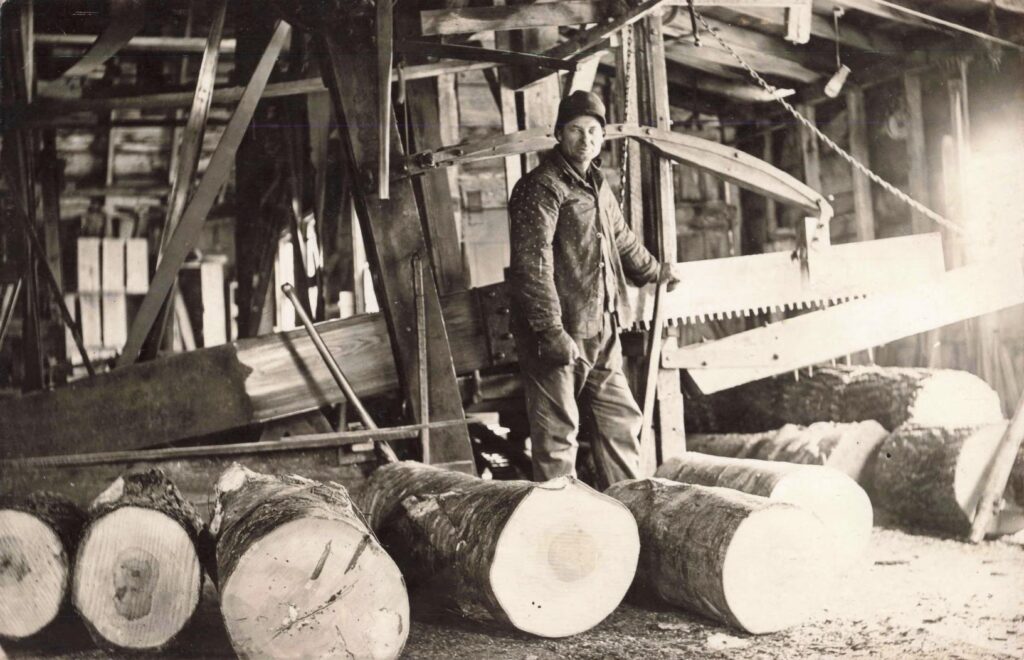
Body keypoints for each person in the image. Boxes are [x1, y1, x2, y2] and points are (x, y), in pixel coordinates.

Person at [506, 90, 679, 489]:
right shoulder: (542, 187)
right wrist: (550, 332)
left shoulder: (597, 184)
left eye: (594, 132)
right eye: (576, 130)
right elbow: (532, 266)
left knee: (621, 421)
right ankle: (562, 531)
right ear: (559, 134)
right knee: (557, 438)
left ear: (602, 138)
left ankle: (632, 508)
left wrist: (656, 271)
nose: (586, 140)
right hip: (558, 334)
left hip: (602, 326)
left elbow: (620, 238)